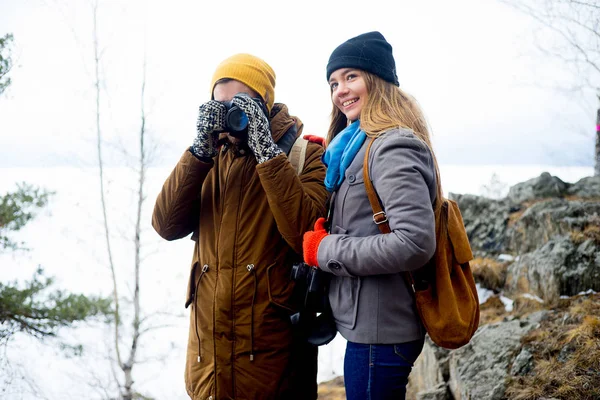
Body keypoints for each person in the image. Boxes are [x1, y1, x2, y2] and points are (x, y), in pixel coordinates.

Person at [152, 53, 329, 400]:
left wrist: (265, 149)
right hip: (210, 367)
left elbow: (305, 235)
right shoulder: (208, 158)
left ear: (265, 103)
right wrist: (199, 150)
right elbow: (166, 224)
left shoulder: (305, 156)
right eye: (218, 104)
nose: (228, 113)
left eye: (240, 103)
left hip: (275, 369)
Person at [302, 31, 444, 400]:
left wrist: (326, 248)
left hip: (382, 332)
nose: (340, 90)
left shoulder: (392, 145)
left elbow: (413, 243)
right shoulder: (355, 145)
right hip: (370, 325)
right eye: (334, 82)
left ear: (378, 80)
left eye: (351, 76)